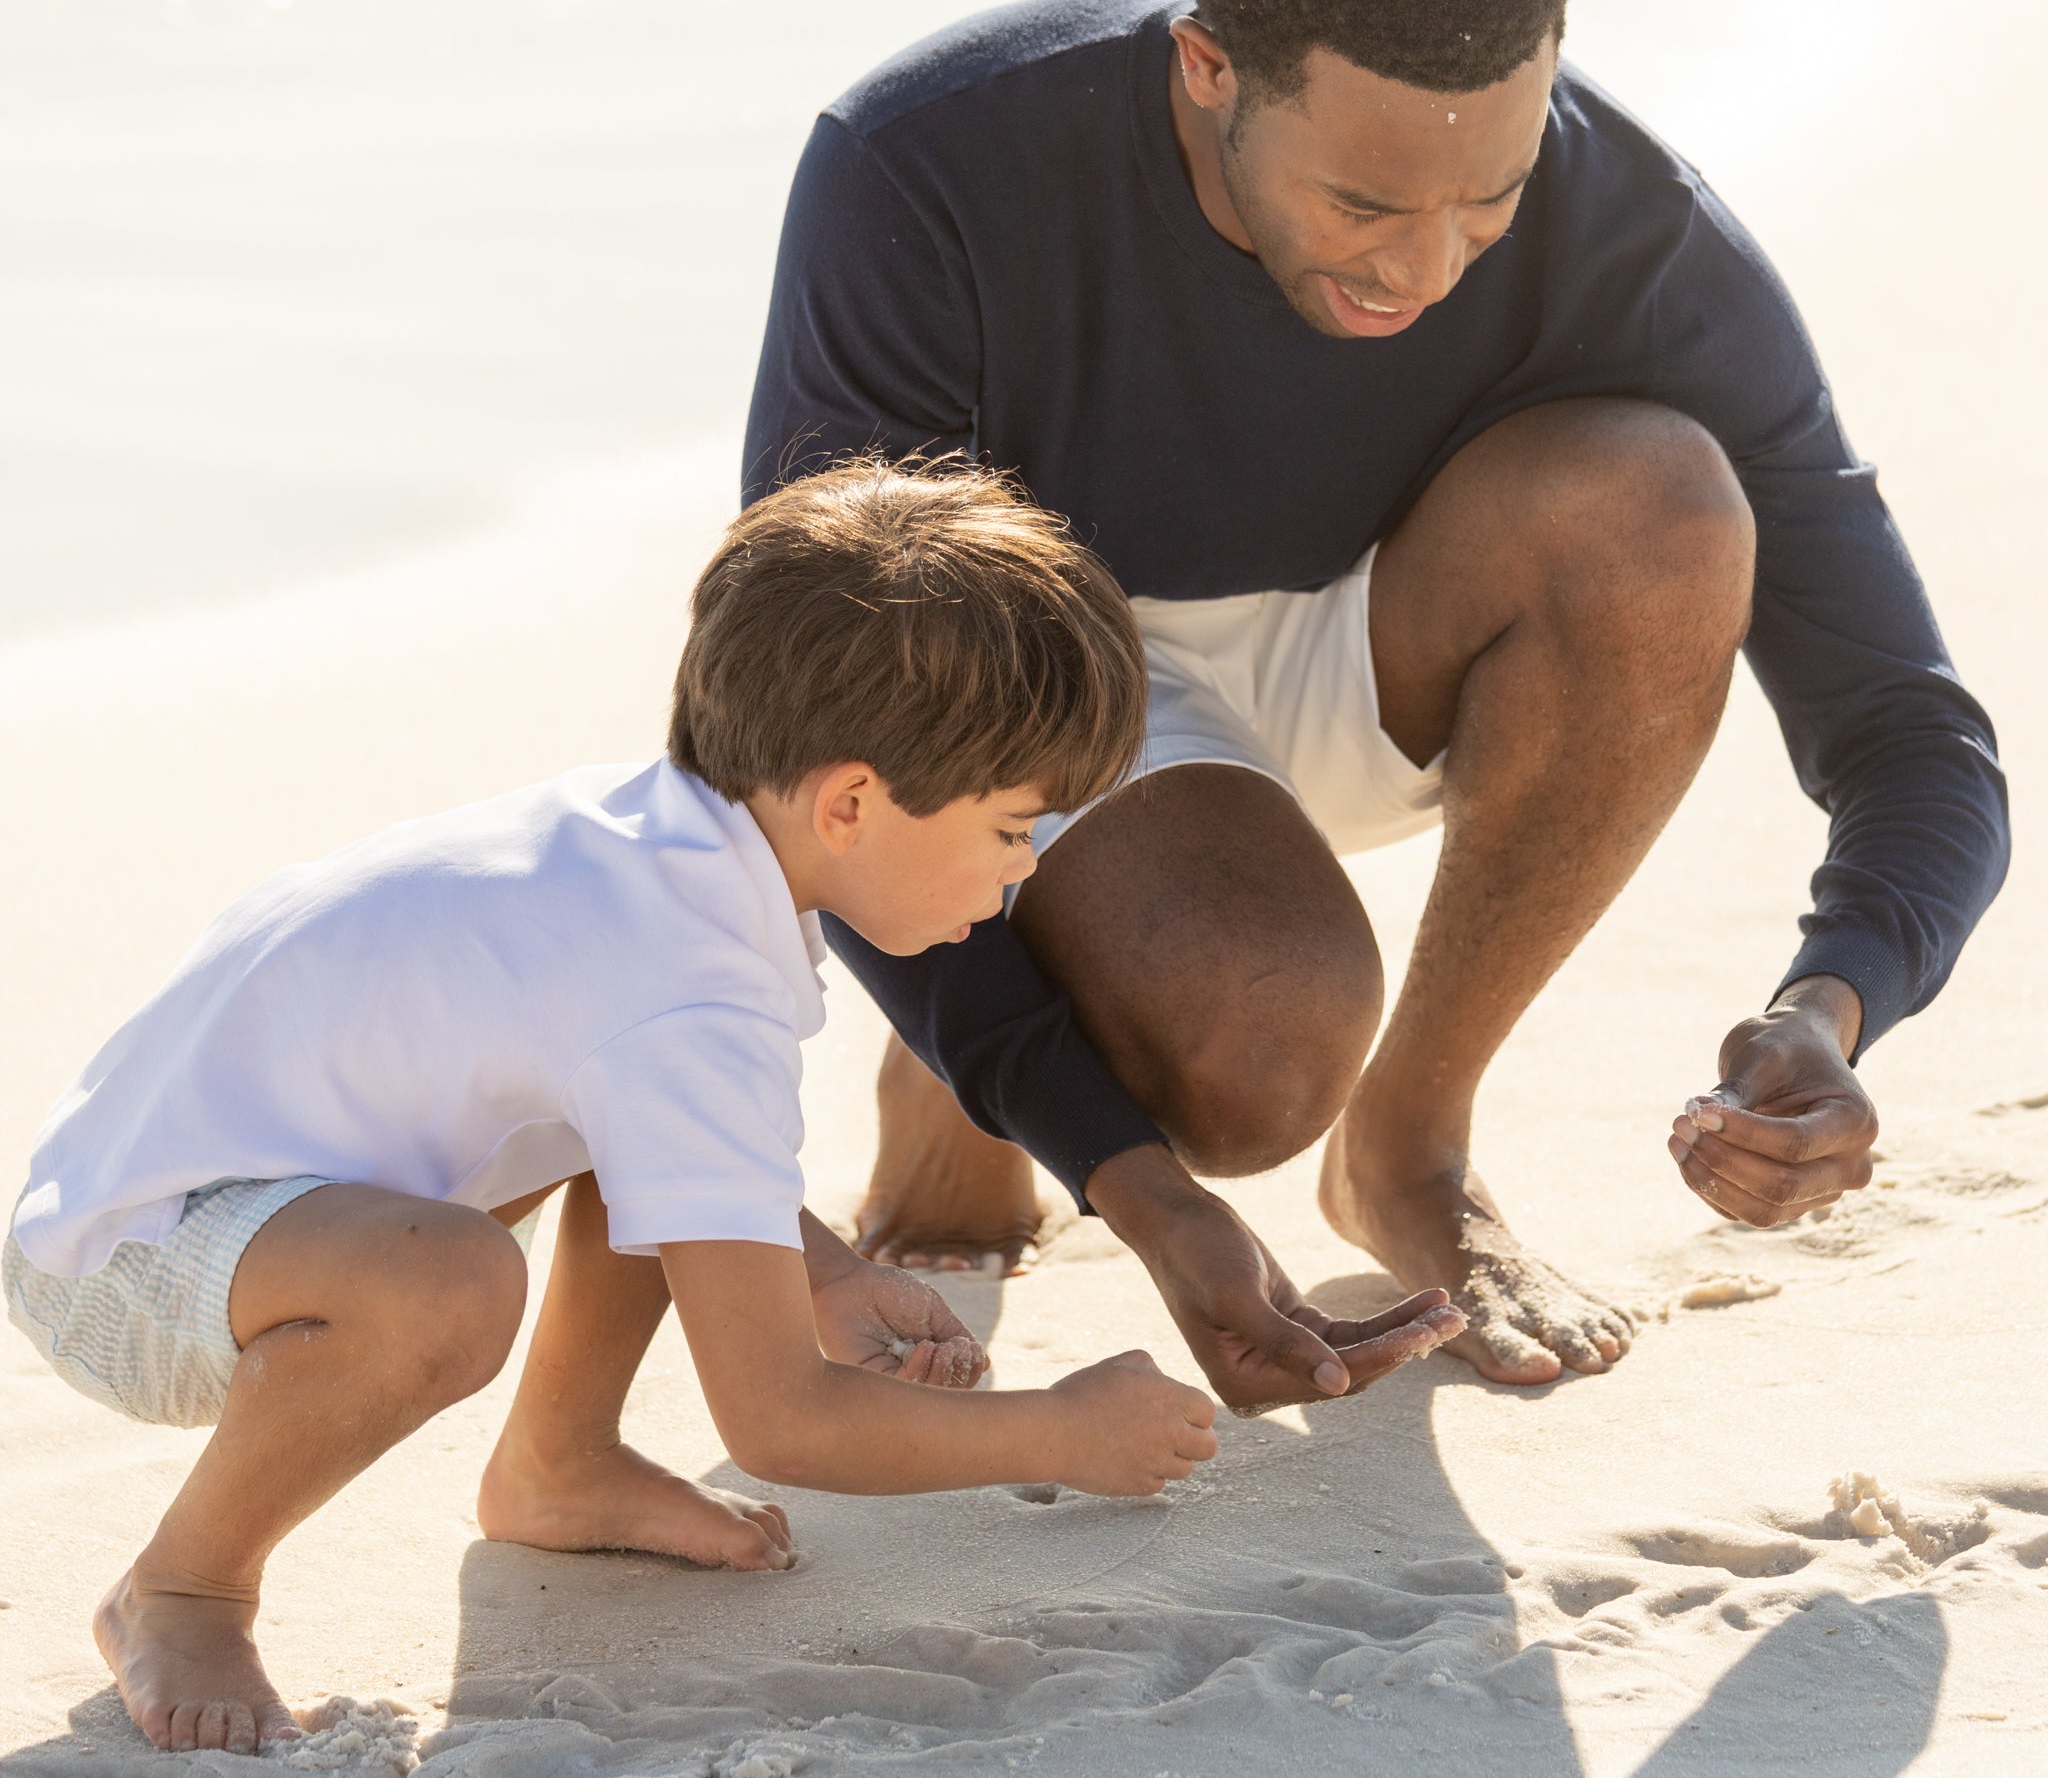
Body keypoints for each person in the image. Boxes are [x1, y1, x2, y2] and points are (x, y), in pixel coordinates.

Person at [744, 0, 2010, 1400]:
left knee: (1668, 508)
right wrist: (1136, 1184)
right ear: (1210, 67)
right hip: (1024, 684)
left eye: (1489, 200)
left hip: (1378, 654)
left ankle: (1410, 1145)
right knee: (1253, 1059)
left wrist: (1830, 1010)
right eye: (1362, 203)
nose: (1424, 269)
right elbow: (810, 722)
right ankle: (994, 997)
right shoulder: (927, 164)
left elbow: (1914, 730)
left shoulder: (1641, 233)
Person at [7, 466, 1431, 1760]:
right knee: (453, 1284)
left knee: (612, 1150)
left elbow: (671, 1142)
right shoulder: (690, 989)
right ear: (852, 803)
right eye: (1015, 828)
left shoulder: (660, 855)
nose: (1029, 873)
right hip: (136, 1262)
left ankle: (559, 1461)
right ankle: (185, 1587)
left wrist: (823, 1269)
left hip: (195, 1192)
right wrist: (1059, 1431)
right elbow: (783, 1420)